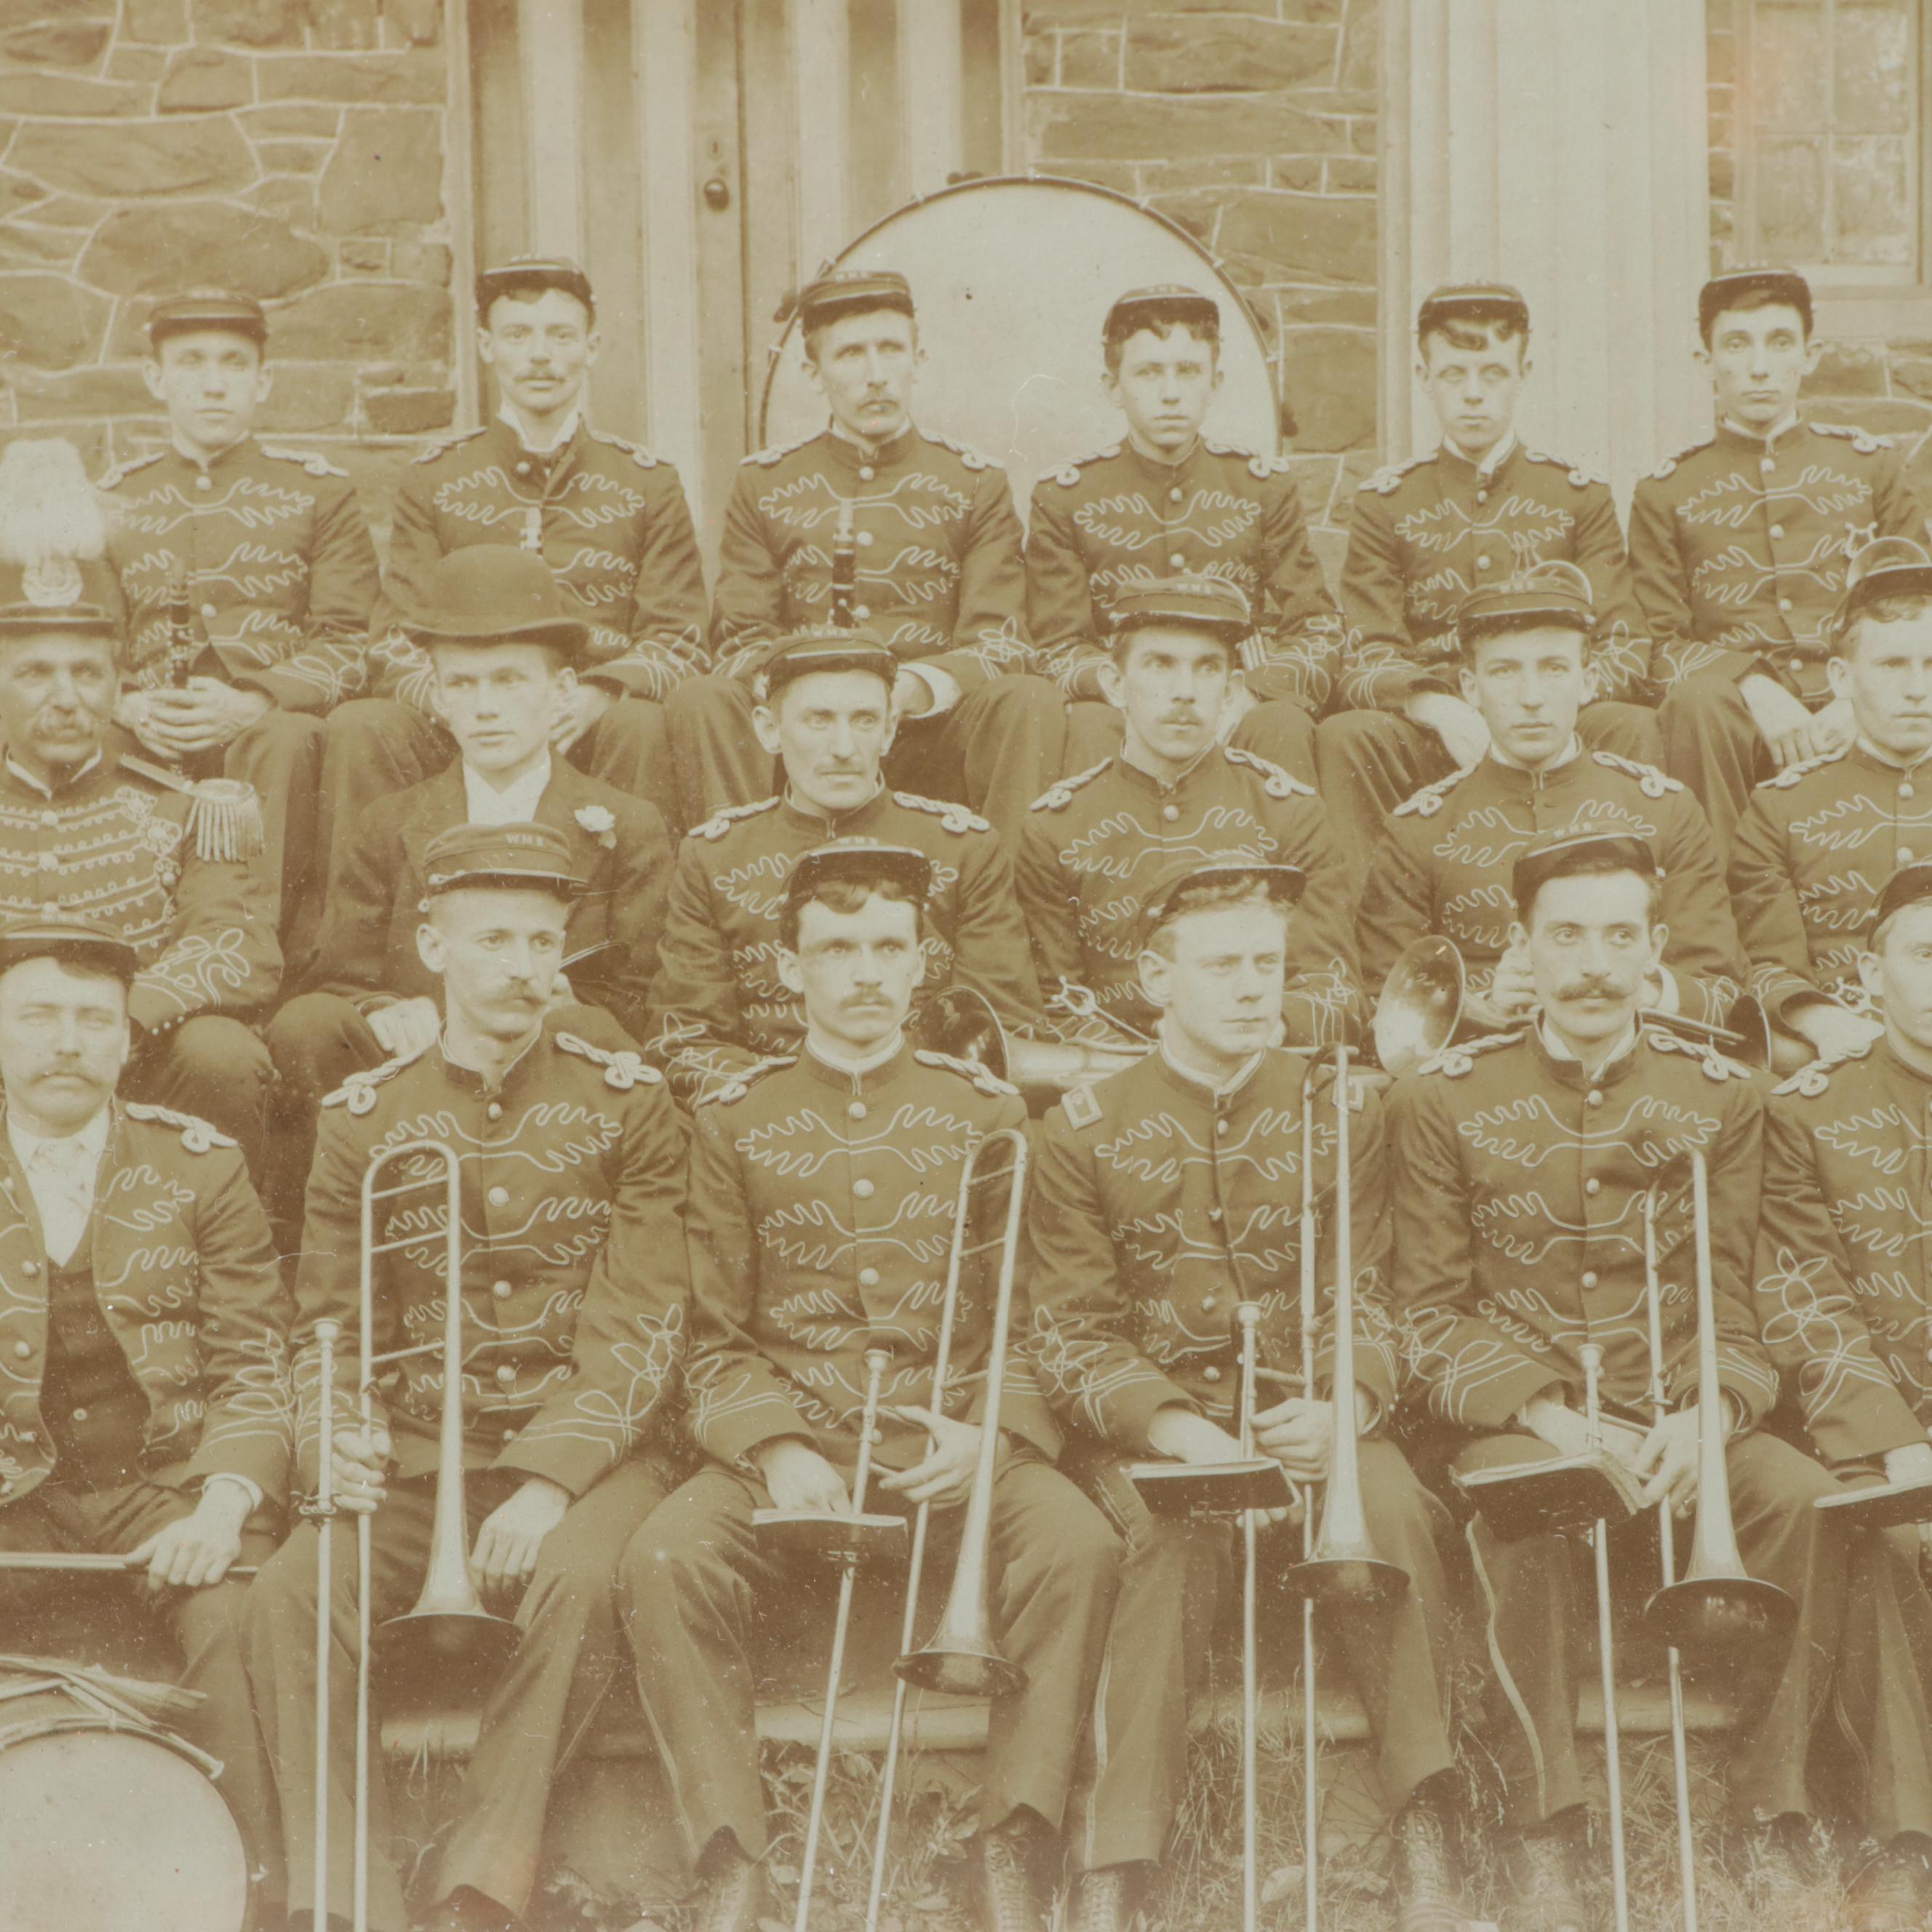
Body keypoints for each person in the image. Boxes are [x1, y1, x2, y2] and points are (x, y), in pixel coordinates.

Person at [620, 842, 1121, 1932]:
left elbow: (1033, 1314)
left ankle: (1010, 1844)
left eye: (890, 948)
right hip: (796, 1443)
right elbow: (709, 1336)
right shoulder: (732, 1118)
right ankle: (730, 1856)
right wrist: (777, 1448)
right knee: (664, 1555)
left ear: (923, 962)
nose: (866, 974)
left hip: (951, 1439)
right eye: (837, 949)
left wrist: (991, 1435)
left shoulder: (990, 1112)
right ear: (788, 968)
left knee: (1078, 1544)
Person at [1390, 831, 1858, 1926]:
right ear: (1523, 950)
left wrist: (1709, 1416)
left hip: (1681, 1412)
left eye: (1617, 937)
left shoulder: (1726, 1095)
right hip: (1526, 1418)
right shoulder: (1438, 1098)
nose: (1593, 965)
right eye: (1565, 937)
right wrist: (1549, 1414)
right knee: (1524, 1494)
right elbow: (1425, 1311)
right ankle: (1541, 1826)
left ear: (1656, 951)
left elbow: (1742, 1294)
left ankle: (1769, 1812)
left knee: (1800, 1496)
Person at [243, 821, 690, 1932]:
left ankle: (477, 1889)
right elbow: (330, 1322)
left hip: (588, 1459)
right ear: (432, 947)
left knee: (579, 1583)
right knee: (295, 1589)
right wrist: (335, 1435)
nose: (525, 967)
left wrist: (547, 1480)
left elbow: (645, 1319)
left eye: (544, 942)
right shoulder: (364, 1119)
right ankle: (346, 1898)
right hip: (413, 1454)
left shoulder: (630, 1102)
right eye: (494, 940)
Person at [1023, 854, 1469, 1932]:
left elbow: (1371, 1294)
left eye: (1267, 965)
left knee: (1392, 1503)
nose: (1252, 988)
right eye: (1221, 966)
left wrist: (1342, 1409)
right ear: (1155, 979)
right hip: (1160, 1433)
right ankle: (1117, 1861)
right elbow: (1070, 1334)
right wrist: (1181, 1432)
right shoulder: (1078, 1127)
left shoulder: (1343, 1108)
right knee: (1171, 1535)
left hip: (1311, 1416)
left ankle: (1426, 1827)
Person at [0, 918, 291, 1923]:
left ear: (130, 1042)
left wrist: (221, 1508)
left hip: (167, 1491)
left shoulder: (201, 1165)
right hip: (13, 1497)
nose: (67, 1042)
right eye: (38, 1016)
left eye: (95, 1020)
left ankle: (251, 1905)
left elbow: (255, 1358)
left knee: (241, 1622)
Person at [268, 548, 671, 1168]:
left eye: (509, 681)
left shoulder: (627, 825)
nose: (485, 707)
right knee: (308, 1024)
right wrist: (387, 1009)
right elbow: (342, 977)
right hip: (422, 1081)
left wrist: (571, 1009)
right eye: (462, 683)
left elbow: (646, 999)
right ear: (437, 695)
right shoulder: (390, 824)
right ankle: (364, 1210)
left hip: (559, 1089)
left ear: (562, 691)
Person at [666, 267, 1061, 844]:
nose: (876, 375)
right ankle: (743, 877)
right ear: (813, 372)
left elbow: (1001, 644)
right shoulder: (764, 484)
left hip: (930, 734)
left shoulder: (975, 483)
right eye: (850, 354)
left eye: (891, 350)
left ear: (918, 360)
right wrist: (813, 697)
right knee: (702, 697)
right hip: (801, 741)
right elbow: (740, 642)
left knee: (1028, 697)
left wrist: (913, 689)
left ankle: (1004, 890)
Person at [328, 255, 706, 849]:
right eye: (518, 335)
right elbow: (395, 639)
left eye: (561, 336)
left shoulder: (647, 483)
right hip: (461, 718)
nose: (540, 355)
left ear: (592, 347)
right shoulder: (434, 478)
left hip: (590, 722)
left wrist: (597, 693)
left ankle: (625, 895)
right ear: (487, 346)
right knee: (362, 724)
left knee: (640, 722)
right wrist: (458, 707)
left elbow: (679, 638)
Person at [1318, 282, 1658, 872]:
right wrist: (1437, 706)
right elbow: (1368, 652)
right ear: (1424, 377)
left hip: (1554, 715)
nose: (1474, 395)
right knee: (1348, 736)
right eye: (1454, 375)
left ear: (1523, 374)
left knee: (1632, 724)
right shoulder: (1385, 503)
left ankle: (1613, 891)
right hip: (1435, 729)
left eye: (1493, 374)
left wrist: (1542, 704)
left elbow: (1625, 645)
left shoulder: (1578, 497)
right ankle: (1377, 920)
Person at [1752, 861, 1932, 1931]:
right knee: (1884, 1534)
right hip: (1875, 1430)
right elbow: (1802, 1296)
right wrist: (1898, 1441)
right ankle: (1904, 1840)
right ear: (1871, 975)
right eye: (1926, 954)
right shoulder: (1804, 1113)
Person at [649, 627, 1043, 1103]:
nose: (843, 747)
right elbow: (686, 1041)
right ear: (769, 730)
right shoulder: (713, 856)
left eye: (864, 720)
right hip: (772, 1118)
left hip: (926, 1116)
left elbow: (1002, 1026)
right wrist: (795, 1107)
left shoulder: (965, 848)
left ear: (890, 730)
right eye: (818, 720)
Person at [99, 290, 381, 938]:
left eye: (234, 363)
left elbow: (351, 640)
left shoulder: (320, 493)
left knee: (283, 741)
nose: (214, 384)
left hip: (272, 729)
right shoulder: (113, 499)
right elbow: (91, 643)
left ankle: (246, 949)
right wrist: (130, 705)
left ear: (263, 381)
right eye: (191, 362)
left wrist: (255, 701)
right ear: (156, 379)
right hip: (147, 729)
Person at [1358, 567, 1745, 1031]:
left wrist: (1634, 988)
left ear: (1588, 681)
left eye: (1554, 668)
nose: (1531, 697)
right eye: (1504, 671)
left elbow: (1720, 993)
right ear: (1470, 688)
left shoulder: (1666, 811)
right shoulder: (1418, 830)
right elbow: (1386, 1005)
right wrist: (1480, 1008)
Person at [0, 514, 279, 1151]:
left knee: (220, 1052)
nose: (66, 697)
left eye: (88, 673)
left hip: (140, 1062)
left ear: (118, 686)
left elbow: (237, 943)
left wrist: (127, 1017)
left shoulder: (181, 807)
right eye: (36, 673)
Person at [1632, 266, 1931, 848]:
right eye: (1737, 345)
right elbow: (1659, 643)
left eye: (1780, 342)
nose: (1760, 367)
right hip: (1735, 719)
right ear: (1706, 362)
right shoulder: (1665, 491)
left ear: (1809, 355)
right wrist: (1751, 683)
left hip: (1857, 697)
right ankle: (1718, 894)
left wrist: (1856, 697)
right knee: (1696, 700)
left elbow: (1918, 610)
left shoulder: (1871, 467)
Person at [1013, 576, 1359, 1050]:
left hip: (1258, 1063)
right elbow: (1054, 1005)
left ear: (1231, 690)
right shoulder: (1054, 827)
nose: (1184, 691)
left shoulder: (1291, 814)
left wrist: (1261, 1032)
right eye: (1159, 665)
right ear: (1115, 684)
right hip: (1119, 1077)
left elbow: (1335, 995)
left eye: (1207, 668)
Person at [1025, 283, 1344, 787]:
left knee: (1281, 723)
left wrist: (1250, 693)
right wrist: (1133, 697)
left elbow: (1316, 625)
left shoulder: (1262, 487)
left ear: (1215, 383)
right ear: (1113, 387)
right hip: (1121, 703)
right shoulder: (1066, 496)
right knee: (1089, 726)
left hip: (1236, 698)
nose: (1170, 393)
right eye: (1148, 372)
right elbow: (1056, 645)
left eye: (1189, 372)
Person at [1729, 535, 1932, 1066]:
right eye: (1892, 665)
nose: (1917, 688)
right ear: (1842, 678)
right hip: (1844, 1056)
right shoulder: (1780, 808)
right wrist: (1824, 1022)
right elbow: (1765, 963)